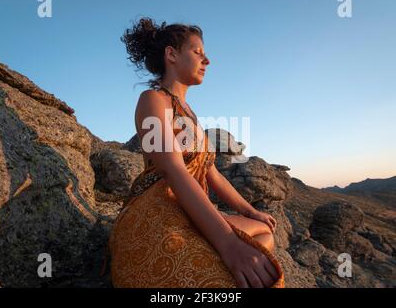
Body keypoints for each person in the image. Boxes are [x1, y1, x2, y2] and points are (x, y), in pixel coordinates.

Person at [108, 17, 285, 288]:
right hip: (160, 209)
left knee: (265, 236)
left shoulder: (190, 115)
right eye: (198, 52)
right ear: (172, 55)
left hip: (187, 209)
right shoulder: (153, 100)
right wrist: (227, 243)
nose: (207, 60)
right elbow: (173, 169)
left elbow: (213, 174)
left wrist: (251, 211)